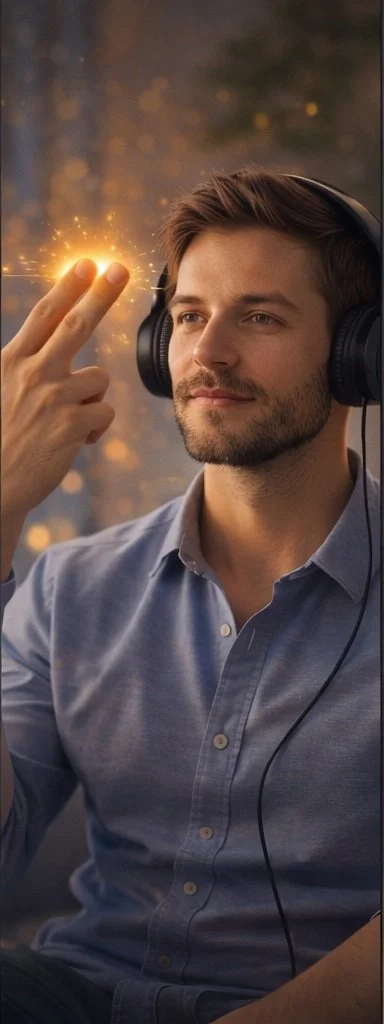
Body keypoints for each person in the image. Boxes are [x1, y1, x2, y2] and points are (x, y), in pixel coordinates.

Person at [0, 168, 381, 1024]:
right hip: (75, 992)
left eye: (259, 316)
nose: (208, 353)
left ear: (362, 351)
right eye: (188, 317)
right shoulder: (70, 589)